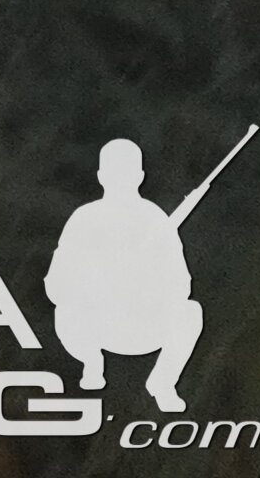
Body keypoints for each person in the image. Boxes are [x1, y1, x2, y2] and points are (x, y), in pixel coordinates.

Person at [52, 139, 205, 415]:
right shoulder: (84, 218)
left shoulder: (156, 219)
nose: (120, 179)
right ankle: (91, 362)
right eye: (114, 173)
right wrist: (96, 285)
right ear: (101, 177)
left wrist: (147, 286)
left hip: (145, 325)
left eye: (127, 172)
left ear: (140, 177)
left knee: (191, 313)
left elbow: (182, 283)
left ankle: (163, 382)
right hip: (97, 326)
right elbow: (56, 283)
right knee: (65, 312)